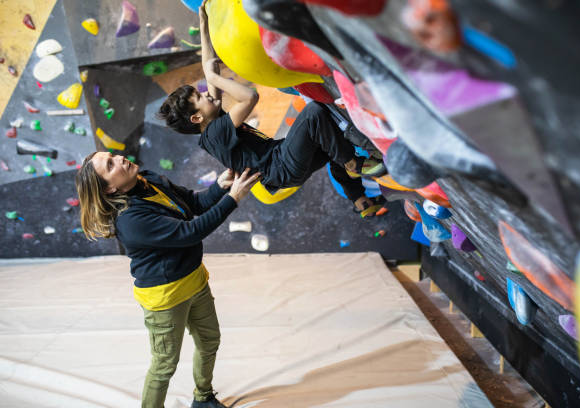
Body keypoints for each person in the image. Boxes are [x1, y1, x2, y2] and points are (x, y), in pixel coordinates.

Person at [157, 4, 386, 217]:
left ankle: (358, 198)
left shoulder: (212, 123)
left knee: (329, 139)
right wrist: (217, 77)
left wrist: (204, 21)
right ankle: (352, 163)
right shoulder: (214, 134)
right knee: (314, 114)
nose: (207, 93)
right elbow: (249, 97)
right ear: (197, 117)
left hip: (282, 165)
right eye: (200, 97)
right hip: (280, 166)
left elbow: (209, 69)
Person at [76, 151, 260, 408]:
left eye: (113, 155)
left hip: (194, 279)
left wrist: (220, 185)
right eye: (110, 164)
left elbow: (192, 204)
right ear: (109, 189)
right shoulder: (130, 220)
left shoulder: (147, 178)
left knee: (209, 340)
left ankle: (203, 397)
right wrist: (233, 199)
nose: (119, 159)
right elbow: (191, 232)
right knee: (164, 366)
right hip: (165, 298)